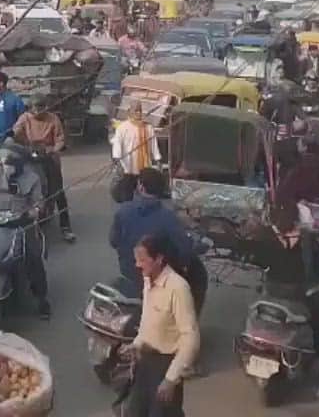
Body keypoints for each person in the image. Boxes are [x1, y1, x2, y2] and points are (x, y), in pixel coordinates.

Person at [251, 204, 319, 367]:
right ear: (297, 220)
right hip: (298, 294)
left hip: (272, 291)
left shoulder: (266, 235)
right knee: (318, 321)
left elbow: (258, 261)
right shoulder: (306, 239)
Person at [127, 233, 200, 417]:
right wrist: (136, 344)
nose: (138, 265)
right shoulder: (148, 280)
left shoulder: (178, 288)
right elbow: (147, 319)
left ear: (159, 259)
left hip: (166, 365)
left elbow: (190, 337)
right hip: (146, 364)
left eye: (142, 260)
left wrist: (171, 379)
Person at [0, 139, 50, 318]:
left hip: (20, 223)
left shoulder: (32, 178)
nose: (3, 167)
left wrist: (34, 212)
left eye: (7, 163)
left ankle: (42, 300)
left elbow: (39, 202)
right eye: (1, 162)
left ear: (18, 164)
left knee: (33, 257)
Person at [109, 169, 196, 301]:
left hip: (128, 272)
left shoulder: (123, 211)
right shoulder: (169, 218)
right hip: (157, 276)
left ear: (140, 187)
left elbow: (113, 241)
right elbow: (184, 250)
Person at [13, 95, 74, 242]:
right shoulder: (25, 118)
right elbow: (15, 131)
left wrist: (53, 149)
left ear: (45, 107)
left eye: (40, 107)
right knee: (19, 186)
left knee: (58, 191)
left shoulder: (53, 119)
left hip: (48, 155)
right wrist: (17, 138)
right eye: (34, 107)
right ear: (30, 108)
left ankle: (66, 227)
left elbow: (60, 139)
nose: (37, 111)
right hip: (30, 154)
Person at [110, 103, 160, 201]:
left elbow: (153, 144)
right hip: (128, 167)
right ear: (129, 112)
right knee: (128, 194)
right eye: (136, 110)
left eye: (140, 110)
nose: (138, 112)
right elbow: (117, 144)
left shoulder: (148, 127)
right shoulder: (122, 127)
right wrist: (117, 159)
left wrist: (157, 159)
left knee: (145, 193)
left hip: (145, 167)